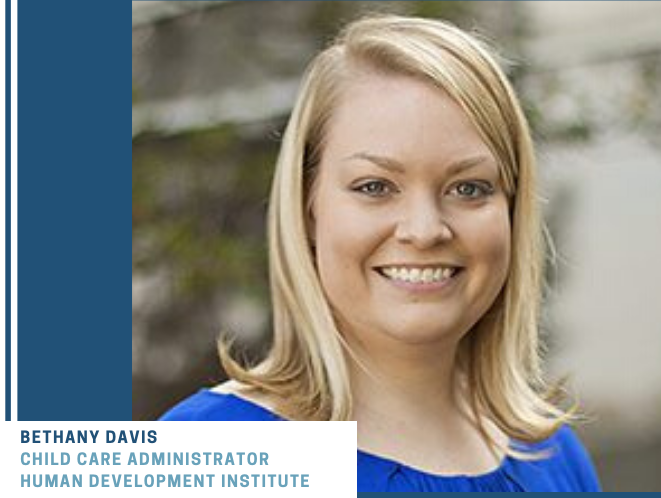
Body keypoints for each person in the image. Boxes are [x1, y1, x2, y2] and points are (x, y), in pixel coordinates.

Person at [160, 14, 601, 492]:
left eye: (469, 188)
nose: (425, 229)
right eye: (375, 186)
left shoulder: (552, 455)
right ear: (308, 208)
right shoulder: (210, 454)